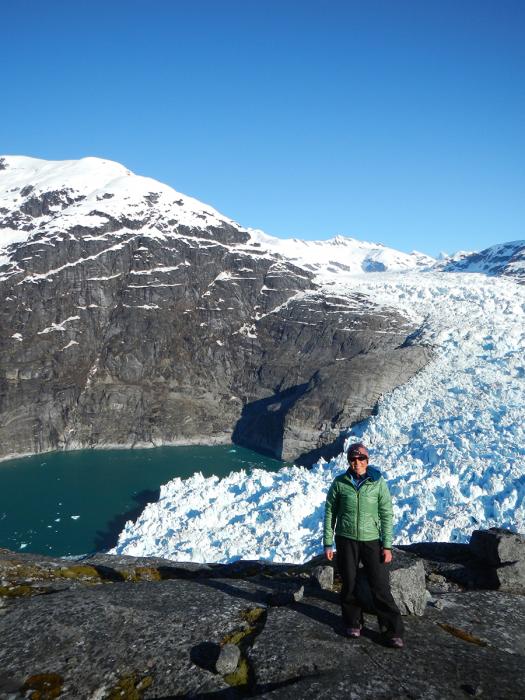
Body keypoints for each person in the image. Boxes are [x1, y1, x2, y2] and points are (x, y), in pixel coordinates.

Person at [323, 442, 404, 648]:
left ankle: (392, 630)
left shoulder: (377, 483)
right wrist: (328, 542)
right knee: (349, 583)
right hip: (346, 538)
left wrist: (387, 546)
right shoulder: (340, 483)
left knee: (380, 585)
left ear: (367, 461)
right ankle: (353, 622)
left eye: (361, 459)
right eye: (352, 459)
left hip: (371, 540)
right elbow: (330, 512)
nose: (356, 463)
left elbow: (386, 514)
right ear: (349, 461)